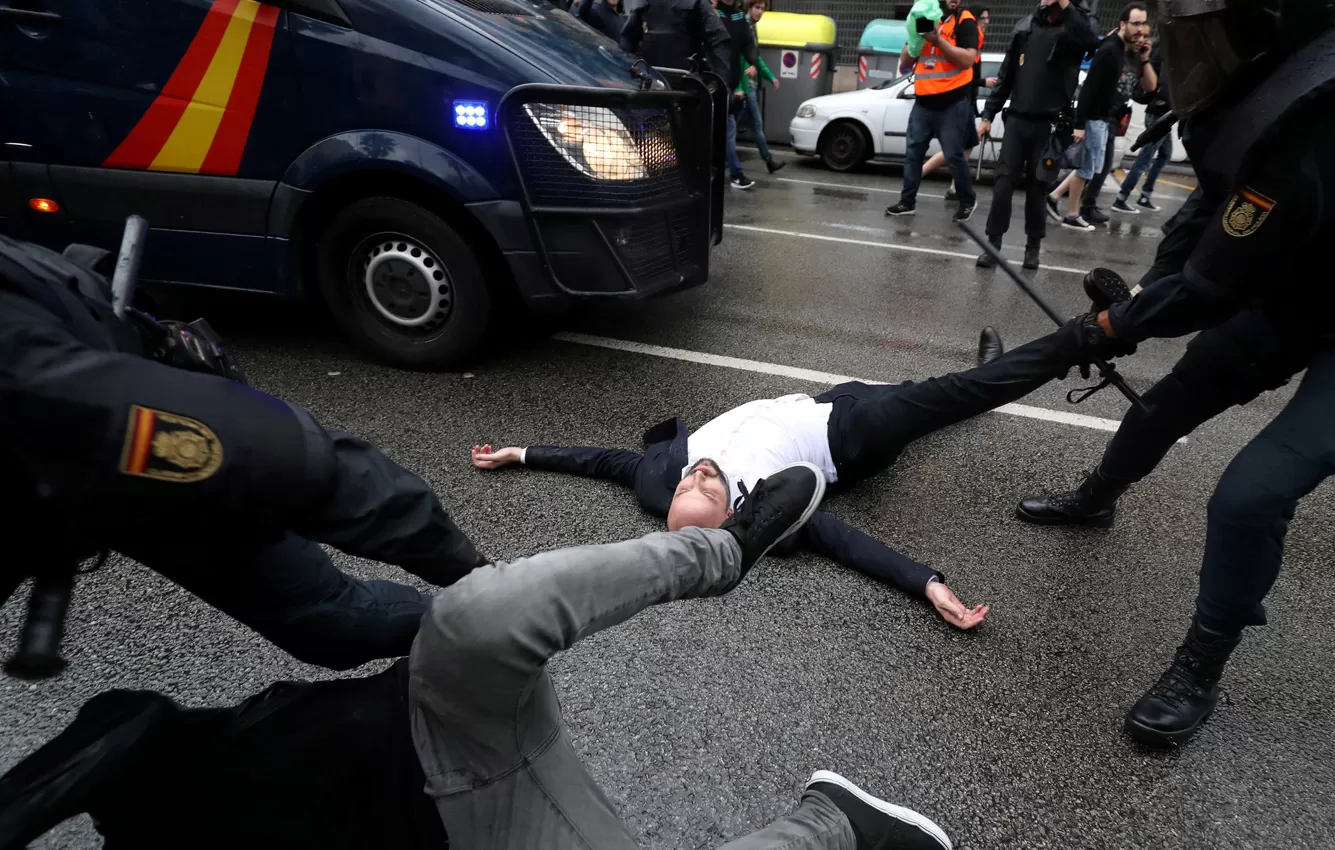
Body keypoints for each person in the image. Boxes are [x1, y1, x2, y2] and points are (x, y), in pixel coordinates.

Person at [0, 464, 958, 850]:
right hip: (470, 824)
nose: (700, 473)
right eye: (697, 477)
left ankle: (724, 554)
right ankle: (835, 825)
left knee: (480, 611)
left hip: (436, 720)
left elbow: (125, 724)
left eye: (709, 478)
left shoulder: (139, 778)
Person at [1013, 0, 1335, 747]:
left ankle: (1201, 665)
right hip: (1310, 280)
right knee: (1171, 401)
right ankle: (1095, 498)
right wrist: (1144, 295)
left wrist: (1110, 329)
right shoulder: (1286, 68)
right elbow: (1212, 206)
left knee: (1252, 493)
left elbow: (1214, 284)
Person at [470, 275, 1131, 631]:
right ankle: (1086, 336)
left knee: (944, 397)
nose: (695, 477)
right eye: (704, 490)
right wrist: (929, 584)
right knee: (950, 398)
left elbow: (600, 462)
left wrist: (520, 453)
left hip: (817, 399)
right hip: (854, 435)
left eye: (685, 487)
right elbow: (844, 541)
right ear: (735, 511)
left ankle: (993, 373)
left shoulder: (658, 480)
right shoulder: (772, 506)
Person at [0, 235, 486, 673]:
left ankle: (478, 633)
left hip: (86, 410)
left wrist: (482, 583)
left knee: (332, 620)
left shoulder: (36, 379)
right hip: (55, 462)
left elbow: (284, 458)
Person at [973, 0, 1097, 271]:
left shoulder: (1075, 28)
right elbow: (1006, 76)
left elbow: (1090, 42)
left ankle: (1032, 248)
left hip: (1049, 126)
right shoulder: (1026, 28)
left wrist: (1065, 5)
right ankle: (993, 245)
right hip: (1017, 121)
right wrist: (987, 116)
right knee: (1003, 184)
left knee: (1037, 188)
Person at [1046, 3, 1151, 232]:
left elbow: (1148, 88)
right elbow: (1089, 88)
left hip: (1104, 118)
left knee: (1091, 166)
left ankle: (1053, 197)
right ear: (1123, 25)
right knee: (1086, 168)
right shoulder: (1110, 50)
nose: (1140, 29)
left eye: (1144, 23)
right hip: (1094, 118)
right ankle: (1072, 214)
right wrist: (1081, 124)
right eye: (1135, 23)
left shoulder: (1124, 50)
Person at [884, 0, 980, 223]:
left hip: (953, 102)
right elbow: (907, 60)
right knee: (913, 154)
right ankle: (907, 202)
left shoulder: (964, 20)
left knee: (954, 155)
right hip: (924, 101)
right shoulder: (925, 16)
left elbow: (967, 60)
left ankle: (967, 200)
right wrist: (915, 41)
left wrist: (938, 40)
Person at [919, 6, 990, 200]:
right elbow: (964, 73)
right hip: (960, 100)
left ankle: (955, 186)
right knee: (955, 149)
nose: (986, 22)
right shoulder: (966, 42)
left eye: (987, 19)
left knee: (965, 146)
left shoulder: (975, 42)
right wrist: (984, 82)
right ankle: (920, 174)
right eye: (982, 19)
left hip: (968, 100)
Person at [1110, 43, 1171, 214]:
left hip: (1162, 114)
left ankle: (1145, 196)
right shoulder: (1164, 52)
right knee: (1145, 158)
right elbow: (1162, 86)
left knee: (1164, 154)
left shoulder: (1165, 51)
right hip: (1159, 115)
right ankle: (1121, 198)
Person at [716, 0, 760, 189]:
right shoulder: (711, 13)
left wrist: (753, 63)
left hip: (730, 84)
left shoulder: (738, 16)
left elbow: (748, 44)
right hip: (712, 81)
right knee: (724, 130)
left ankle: (735, 173)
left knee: (728, 129)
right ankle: (734, 173)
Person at [737, 0, 785, 174]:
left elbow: (755, 58)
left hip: (749, 84)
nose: (760, 12)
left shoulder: (752, 28)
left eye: (763, 9)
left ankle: (726, 159)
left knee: (732, 126)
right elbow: (740, 56)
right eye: (757, 8)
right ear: (749, 8)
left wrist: (770, 76)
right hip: (745, 84)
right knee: (755, 124)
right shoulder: (744, 26)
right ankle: (768, 160)